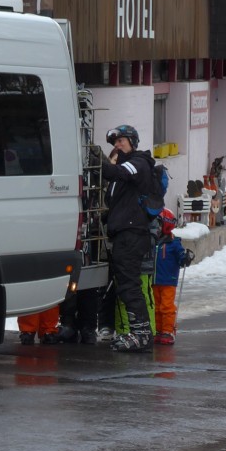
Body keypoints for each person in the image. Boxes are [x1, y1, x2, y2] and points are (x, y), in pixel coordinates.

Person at [101, 124, 156, 352]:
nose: (117, 145)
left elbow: (118, 172)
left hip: (133, 234)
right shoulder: (122, 171)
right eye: (115, 143)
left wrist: (98, 162)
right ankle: (139, 332)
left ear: (132, 141)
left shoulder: (139, 162)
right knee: (125, 285)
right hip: (123, 234)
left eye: (121, 141)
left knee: (130, 285)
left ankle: (142, 335)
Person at [152, 208, 193, 345]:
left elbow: (180, 256)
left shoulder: (174, 243)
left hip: (168, 280)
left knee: (166, 307)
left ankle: (168, 331)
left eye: (159, 224)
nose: (156, 227)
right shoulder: (153, 241)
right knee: (156, 307)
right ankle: (158, 330)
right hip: (154, 280)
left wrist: (185, 258)